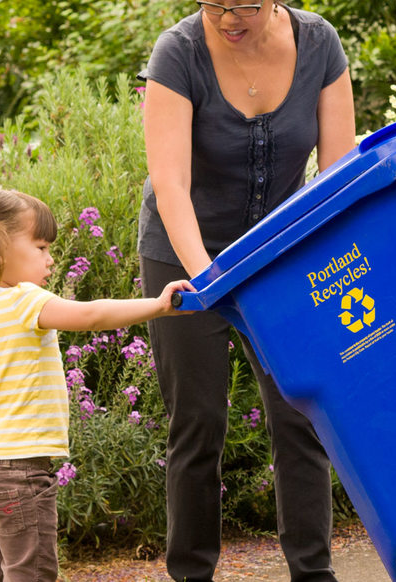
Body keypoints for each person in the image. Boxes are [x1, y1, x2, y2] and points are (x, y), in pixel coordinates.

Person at [137, 0, 355, 580]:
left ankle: (314, 572)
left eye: (246, 6)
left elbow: (337, 170)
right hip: (182, 257)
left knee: (300, 413)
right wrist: (207, 275)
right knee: (197, 423)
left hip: (279, 258)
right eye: (214, 5)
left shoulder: (319, 43)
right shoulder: (178, 53)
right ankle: (191, 573)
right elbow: (171, 183)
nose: (229, 18)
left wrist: (315, 265)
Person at [0, 188, 193, 581]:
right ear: (0, 250)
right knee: (30, 574)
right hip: (20, 470)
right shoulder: (23, 300)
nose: (50, 259)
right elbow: (94, 315)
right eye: (41, 247)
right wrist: (159, 305)